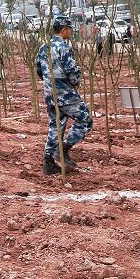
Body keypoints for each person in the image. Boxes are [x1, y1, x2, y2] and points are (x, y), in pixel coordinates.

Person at [35, 15, 93, 175]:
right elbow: (72, 71)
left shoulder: (43, 47)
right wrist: (75, 83)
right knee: (85, 120)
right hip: (65, 93)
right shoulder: (64, 47)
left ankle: (48, 162)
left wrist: (48, 81)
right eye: (70, 29)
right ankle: (63, 149)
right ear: (64, 30)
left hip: (49, 93)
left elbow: (39, 69)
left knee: (56, 125)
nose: (71, 31)